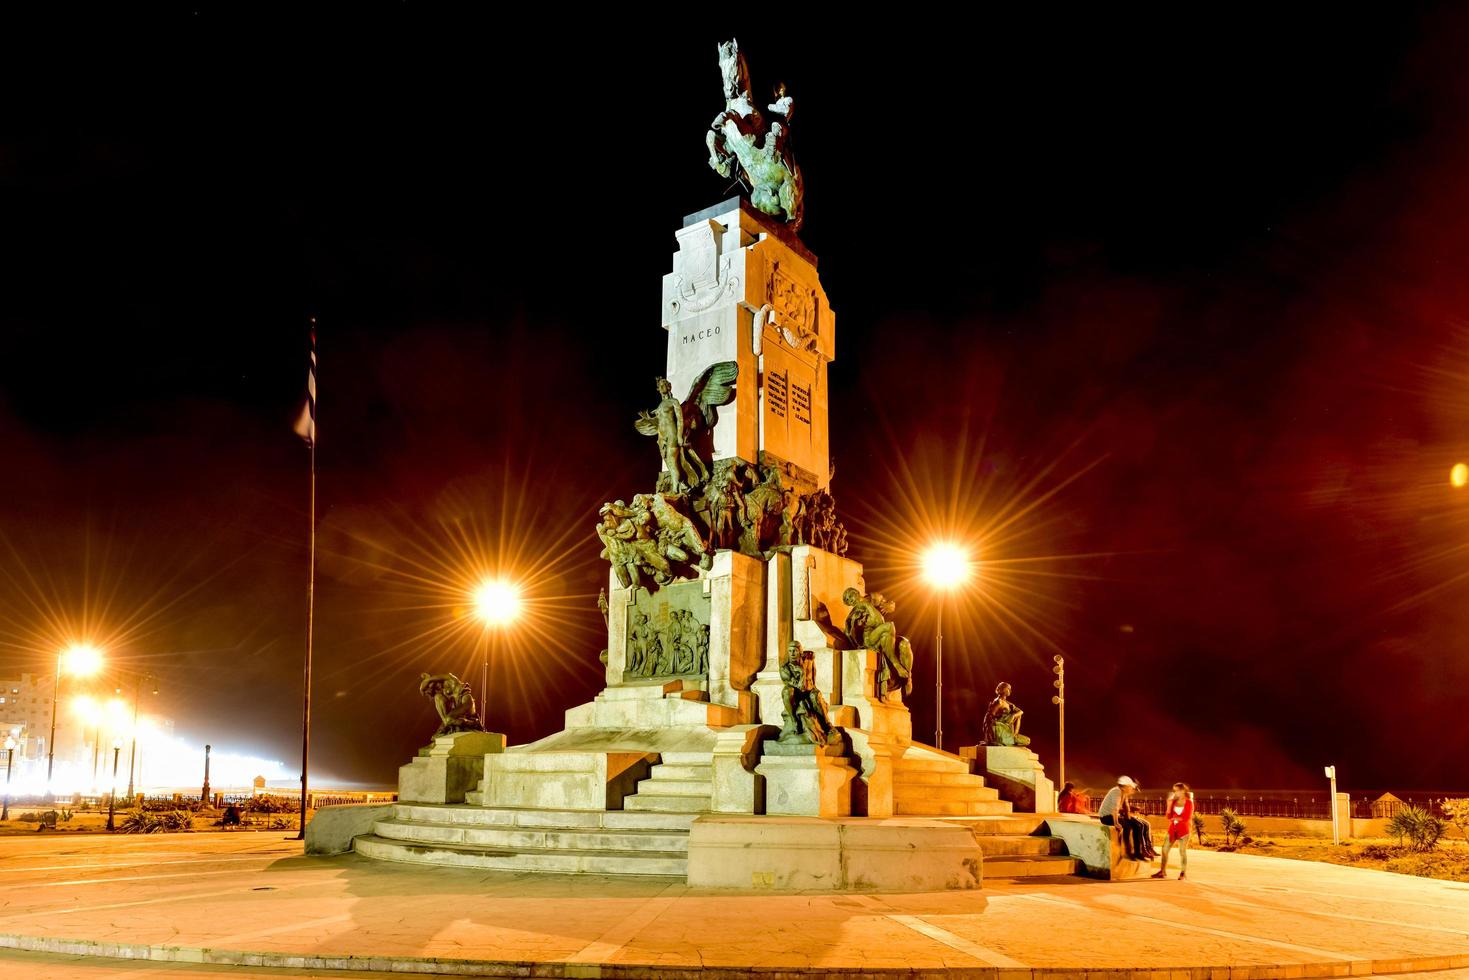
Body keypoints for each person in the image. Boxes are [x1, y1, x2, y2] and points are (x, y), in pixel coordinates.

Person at [1097, 775, 1150, 860]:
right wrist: (1116, 823)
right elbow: (1115, 808)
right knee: (1127, 827)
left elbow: (1126, 807)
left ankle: (1138, 852)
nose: (1131, 789)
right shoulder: (1116, 791)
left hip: (1113, 815)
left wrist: (1130, 817)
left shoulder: (1124, 793)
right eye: (1130, 787)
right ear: (1125, 786)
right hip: (1106, 817)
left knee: (1137, 826)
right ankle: (1128, 852)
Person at [1153, 782, 1194, 879]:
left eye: (1177, 790)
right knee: (1164, 849)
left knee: (1182, 851)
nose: (1175, 792)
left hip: (1184, 830)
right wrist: (1169, 805)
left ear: (1183, 790)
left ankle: (1183, 873)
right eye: (1174, 790)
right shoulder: (1174, 802)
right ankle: (1162, 872)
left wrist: (1175, 818)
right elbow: (1168, 816)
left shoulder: (1189, 802)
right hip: (1172, 830)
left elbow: (1186, 817)